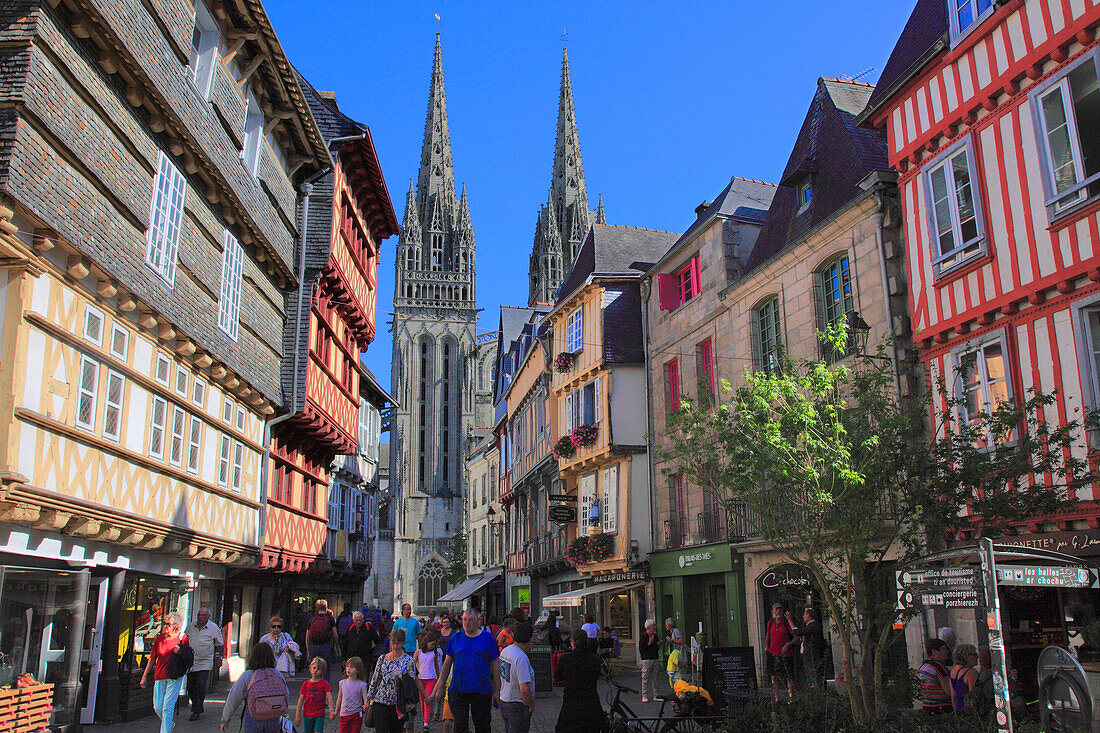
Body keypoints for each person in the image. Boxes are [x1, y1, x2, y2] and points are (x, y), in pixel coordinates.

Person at [430, 607, 501, 733]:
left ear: (477, 620)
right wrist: (440, 686)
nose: (467, 623)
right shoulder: (455, 638)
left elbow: (495, 664)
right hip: (458, 689)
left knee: (483, 725)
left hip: (481, 689)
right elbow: (447, 664)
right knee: (460, 726)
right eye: (465, 620)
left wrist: (497, 689)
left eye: (471, 620)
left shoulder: (488, 638)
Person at [220, 643, 290, 733]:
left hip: (254, 716)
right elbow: (285, 694)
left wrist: (225, 719)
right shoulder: (277, 674)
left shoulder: (248, 675)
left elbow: (233, 699)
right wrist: (285, 714)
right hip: (274, 716)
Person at [366, 629, 427, 733]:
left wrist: (403, 678)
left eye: (398, 643)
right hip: (380, 701)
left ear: (403, 642)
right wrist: (368, 700)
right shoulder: (382, 659)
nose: (395, 646)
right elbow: (375, 680)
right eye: (393, 642)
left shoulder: (409, 661)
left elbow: (412, 682)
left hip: (398, 703)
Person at [140, 611, 188, 733]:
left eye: (168, 624)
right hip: (160, 675)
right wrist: (144, 677)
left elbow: (188, 656)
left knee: (167, 707)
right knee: (158, 707)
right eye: (164, 623)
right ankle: (169, 723)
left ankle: (165, 731)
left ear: (176, 626)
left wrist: (180, 652)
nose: (165, 626)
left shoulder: (182, 638)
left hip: (175, 676)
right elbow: (152, 658)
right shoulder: (159, 639)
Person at [555, 630, 607, 732]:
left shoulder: (565, 659)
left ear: (573, 642)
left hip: (571, 704)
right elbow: (596, 676)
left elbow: (558, 677)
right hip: (591, 704)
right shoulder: (595, 659)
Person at [185, 607, 223, 721]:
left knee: (200, 685)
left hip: (205, 662)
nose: (200, 617)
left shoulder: (213, 628)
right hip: (191, 662)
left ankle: (196, 710)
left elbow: (219, 644)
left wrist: (218, 658)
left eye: (203, 615)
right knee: (191, 687)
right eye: (199, 615)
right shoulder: (191, 626)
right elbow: (185, 640)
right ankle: (197, 705)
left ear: (208, 617)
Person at [498, 622, 535, 733]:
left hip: (505, 700)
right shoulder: (521, 657)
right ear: (528, 639)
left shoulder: (506, 651)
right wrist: (531, 704)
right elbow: (524, 688)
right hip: (517, 704)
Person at [765, 604, 796, 703]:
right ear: (773, 611)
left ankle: (791, 697)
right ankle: (776, 698)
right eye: (776, 609)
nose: (778, 611)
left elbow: (796, 636)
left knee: (788, 676)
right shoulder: (770, 623)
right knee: (773, 676)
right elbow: (768, 635)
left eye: (780, 609)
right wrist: (766, 646)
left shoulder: (786, 622)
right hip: (773, 653)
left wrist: (788, 644)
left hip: (785, 654)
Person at [331, 656, 370, 733]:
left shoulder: (362, 685)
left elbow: (365, 698)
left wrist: (366, 705)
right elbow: (339, 698)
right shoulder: (342, 683)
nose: (348, 669)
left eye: (352, 667)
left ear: (358, 670)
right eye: (347, 666)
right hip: (344, 714)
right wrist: (336, 711)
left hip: (356, 715)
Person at [296, 657, 334, 733]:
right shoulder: (306, 684)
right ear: (310, 669)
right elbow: (300, 700)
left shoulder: (324, 683)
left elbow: (329, 698)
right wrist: (297, 715)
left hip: (319, 714)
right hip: (307, 714)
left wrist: (331, 711)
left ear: (323, 671)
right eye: (314, 668)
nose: (315, 670)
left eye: (318, 669)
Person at [918, 638, 954, 715]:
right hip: (941, 708)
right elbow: (949, 692)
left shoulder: (923, 665)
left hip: (927, 706)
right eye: (943, 649)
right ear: (934, 652)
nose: (947, 651)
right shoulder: (938, 667)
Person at [414, 631, 442, 731]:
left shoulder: (434, 653)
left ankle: (426, 723)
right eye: (432, 644)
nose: (433, 646)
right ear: (427, 642)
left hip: (431, 678)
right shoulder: (418, 652)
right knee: (422, 701)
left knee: (428, 700)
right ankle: (425, 717)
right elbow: (413, 665)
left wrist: (438, 677)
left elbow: (436, 666)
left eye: (434, 644)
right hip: (421, 678)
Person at [792, 607, 826, 688]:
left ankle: (817, 693)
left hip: (812, 656)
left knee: (814, 676)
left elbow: (799, 632)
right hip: (808, 655)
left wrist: (790, 621)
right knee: (810, 675)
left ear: (809, 615)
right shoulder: (810, 626)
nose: (803, 616)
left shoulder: (813, 626)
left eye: (804, 614)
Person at [308, 600, 338, 681]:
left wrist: (308, 651)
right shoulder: (330, 619)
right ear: (326, 607)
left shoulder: (312, 619)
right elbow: (335, 634)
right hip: (326, 645)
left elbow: (307, 637)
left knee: (314, 667)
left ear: (316, 608)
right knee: (326, 668)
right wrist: (335, 646)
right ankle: (325, 687)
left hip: (314, 646)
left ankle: (314, 684)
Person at [949, 644, 979, 713]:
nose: (977, 657)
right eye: (974, 655)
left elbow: (953, 696)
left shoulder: (954, 670)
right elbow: (974, 697)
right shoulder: (971, 673)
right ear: (966, 656)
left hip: (960, 711)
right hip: (969, 713)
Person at [639, 619, 660, 703]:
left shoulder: (655, 636)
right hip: (647, 659)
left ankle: (656, 694)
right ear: (648, 627)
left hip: (655, 657)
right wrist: (649, 643)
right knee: (645, 677)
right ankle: (644, 695)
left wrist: (658, 645)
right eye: (652, 626)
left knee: (655, 677)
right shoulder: (644, 636)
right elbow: (642, 648)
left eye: (654, 626)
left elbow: (657, 648)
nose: (654, 627)